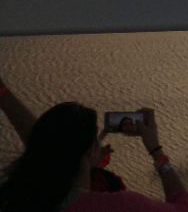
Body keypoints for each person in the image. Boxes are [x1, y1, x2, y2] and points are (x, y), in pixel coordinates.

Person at [0, 98, 188, 211]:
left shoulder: (20, 199)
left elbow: (44, 145)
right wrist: (155, 150)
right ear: (90, 150)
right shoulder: (118, 205)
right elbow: (184, 208)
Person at [0, 76, 128, 193]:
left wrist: (88, 160)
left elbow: (43, 144)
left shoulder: (31, 189)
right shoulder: (109, 187)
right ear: (89, 151)